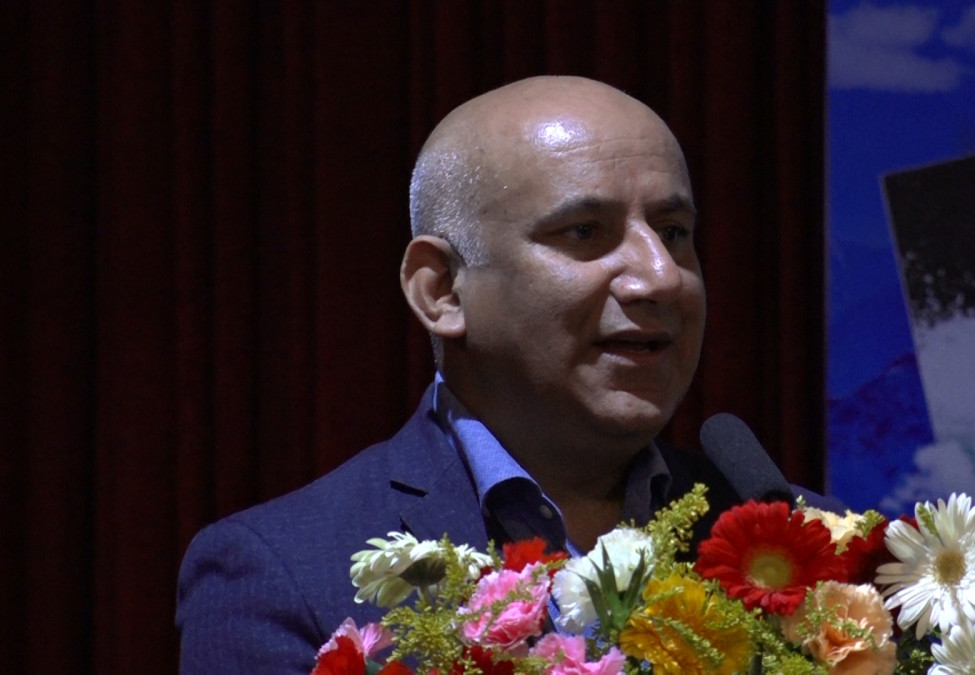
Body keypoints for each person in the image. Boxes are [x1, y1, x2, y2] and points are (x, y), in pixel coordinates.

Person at [176, 75, 840, 673]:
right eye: (585, 232)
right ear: (442, 290)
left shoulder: (817, 549)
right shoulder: (283, 574)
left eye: (672, 232)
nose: (661, 277)